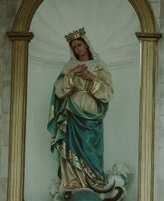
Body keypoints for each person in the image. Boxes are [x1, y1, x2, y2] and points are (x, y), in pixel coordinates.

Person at [48, 27, 114, 192]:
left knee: (91, 147)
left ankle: (95, 181)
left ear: (86, 45)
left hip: (92, 115)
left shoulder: (99, 66)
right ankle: (73, 182)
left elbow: (108, 93)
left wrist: (91, 78)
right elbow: (59, 91)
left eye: (79, 45)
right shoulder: (69, 66)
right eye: (74, 47)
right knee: (72, 147)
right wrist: (71, 75)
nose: (77, 49)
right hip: (72, 112)